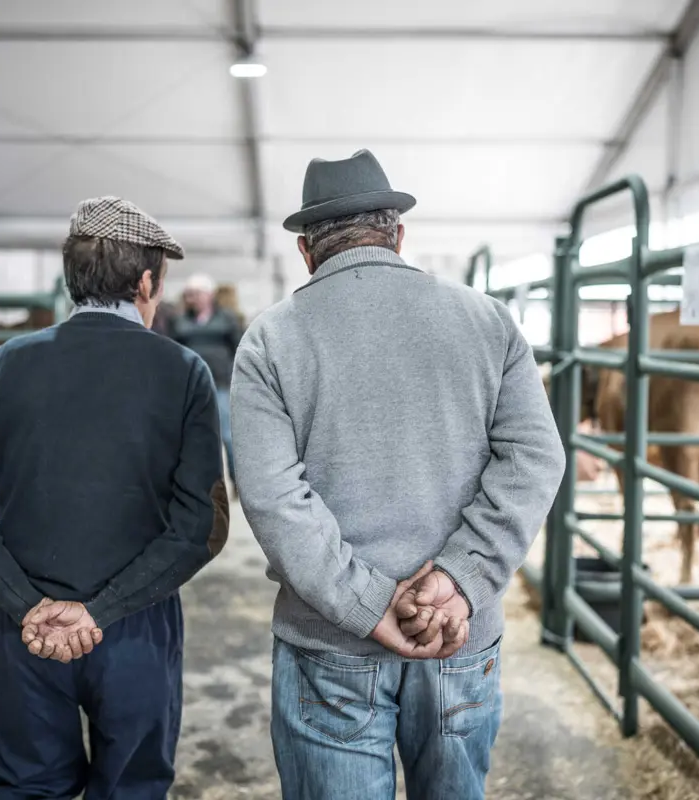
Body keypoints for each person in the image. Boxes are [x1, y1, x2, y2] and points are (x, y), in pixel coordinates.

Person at [230, 149, 565, 800]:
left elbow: (272, 496)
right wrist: (459, 579)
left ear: (306, 251)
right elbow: (535, 456)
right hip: (457, 635)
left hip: (331, 644)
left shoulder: (270, 341)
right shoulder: (489, 321)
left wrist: (370, 605)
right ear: (398, 235)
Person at [0, 196, 230, 800]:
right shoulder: (183, 371)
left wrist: (25, 603)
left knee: (28, 787)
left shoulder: (7, 364)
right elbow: (202, 528)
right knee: (132, 788)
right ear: (145, 282)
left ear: (72, 279)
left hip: (24, 633)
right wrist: (101, 611)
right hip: (137, 626)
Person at [170, 273, 242, 494]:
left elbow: (239, 348)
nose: (193, 298)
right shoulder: (181, 322)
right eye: (189, 294)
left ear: (209, 295)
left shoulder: (226, 319)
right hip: (191, 387)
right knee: (192, 436)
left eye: (197, 293)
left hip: (220, 383)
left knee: (228, 436)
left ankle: (238, 482)